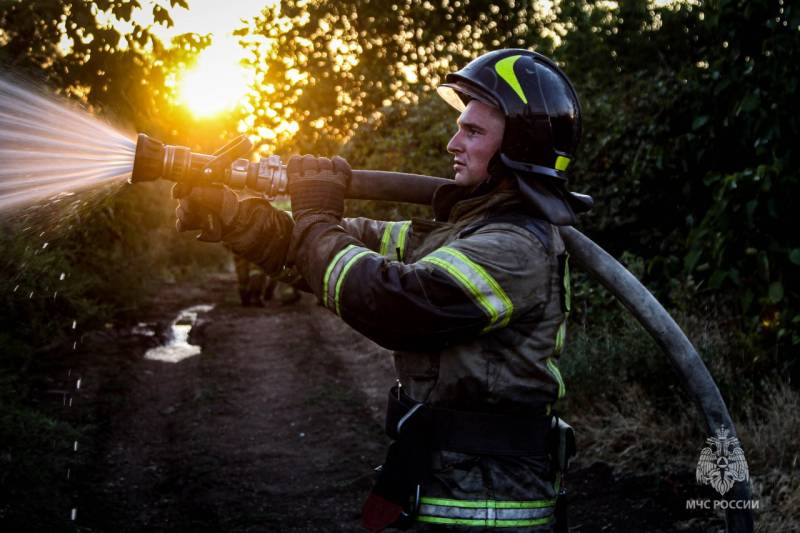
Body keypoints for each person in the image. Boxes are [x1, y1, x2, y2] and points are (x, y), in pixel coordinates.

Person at [175, 49, 590, 532]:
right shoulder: (462, 233)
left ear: (520, 149)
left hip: (489, 506)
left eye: (473, 131)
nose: (453, 142)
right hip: (448, 481)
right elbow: (336, 249)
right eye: (461, 125)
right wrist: (232, 216)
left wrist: (315, 216)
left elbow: (393, 305)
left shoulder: (514, 247)